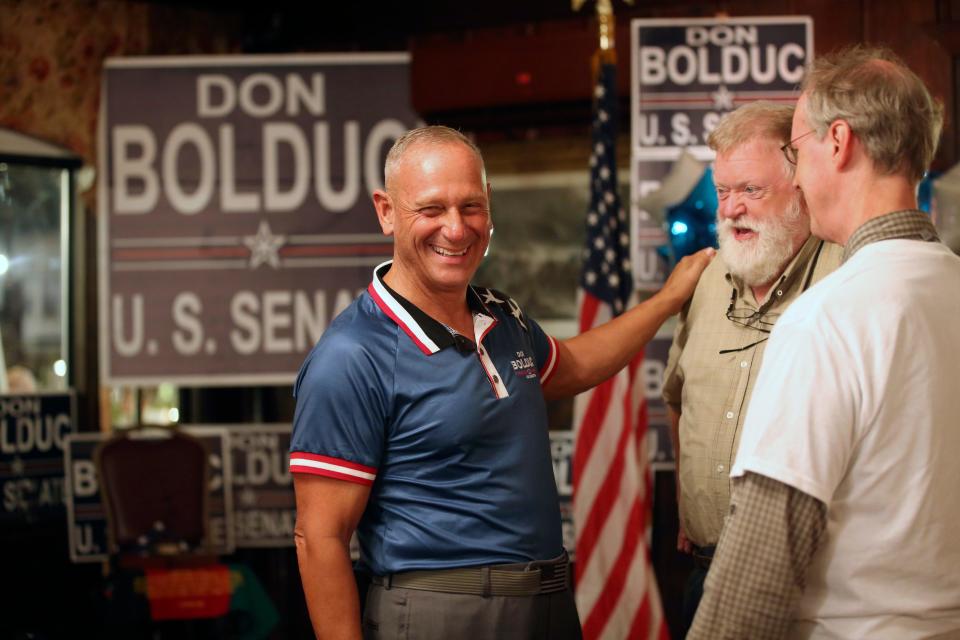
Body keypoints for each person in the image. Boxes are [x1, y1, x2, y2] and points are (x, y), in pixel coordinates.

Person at [289, 125, 714, 640]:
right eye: (431, 210)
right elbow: (319, 537)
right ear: (386, 211)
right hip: (441, 612)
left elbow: (575, 364)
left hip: (549, 603)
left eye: (470, 207)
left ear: (489, 204)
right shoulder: (351, 355)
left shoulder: (500, 314)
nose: (456, 228)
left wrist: (669, 299)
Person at [689, 46, 960, 639]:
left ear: (838, 142)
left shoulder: (828, 317)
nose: (797, 169)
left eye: (795, 147)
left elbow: (760, 565)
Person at [661, 101, 841, 634]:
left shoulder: (846, 275)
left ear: (801, 187)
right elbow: (677, 397)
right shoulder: (706, 279)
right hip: (704, 570)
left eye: (751, 190)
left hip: (812, 586)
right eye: (723, 193)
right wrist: (688, 502)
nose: (731, 208)